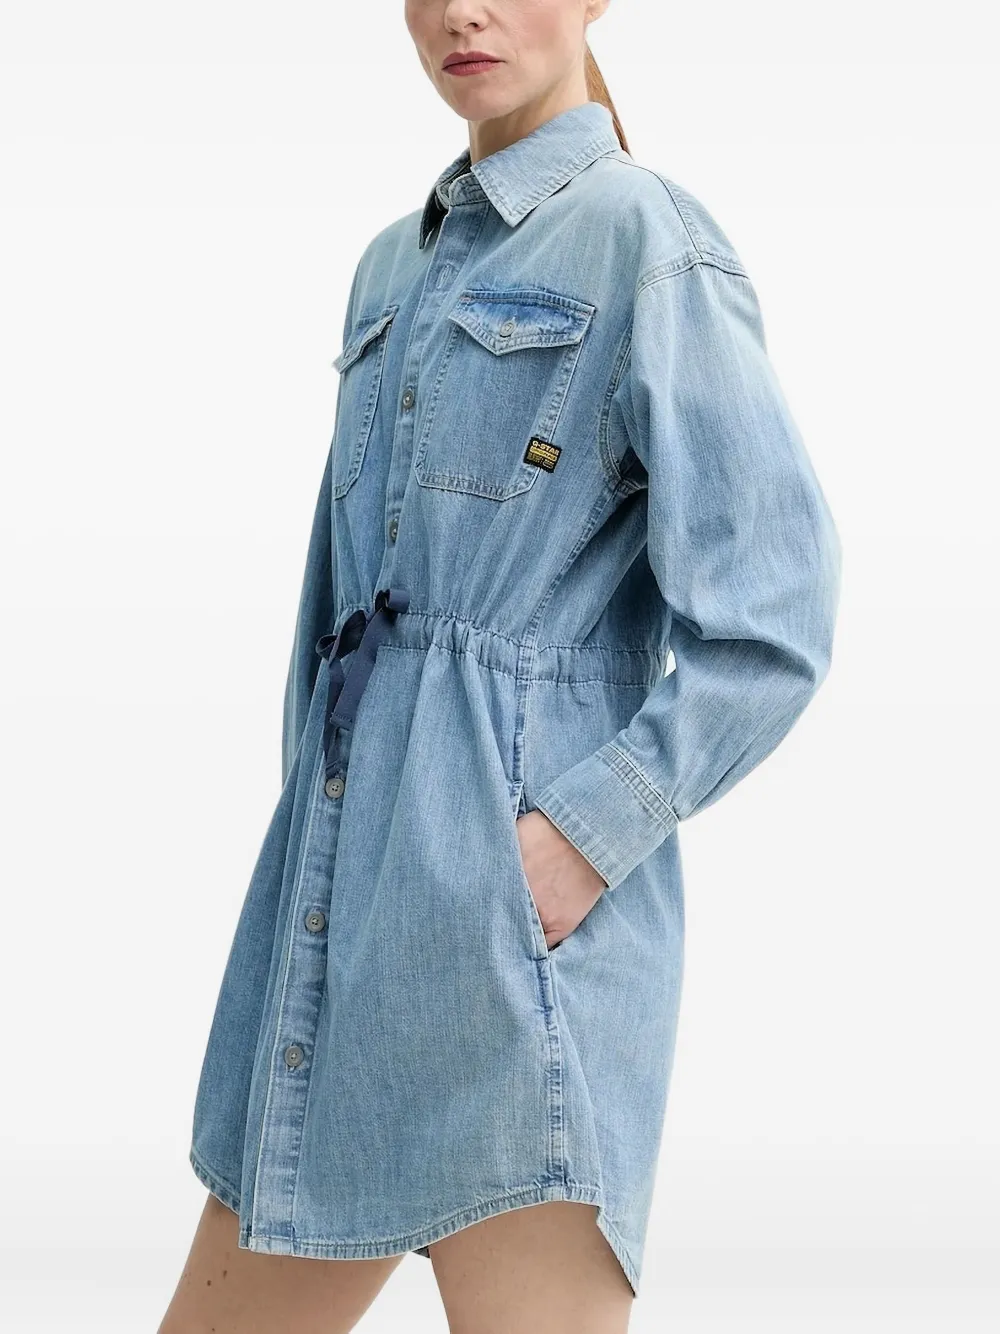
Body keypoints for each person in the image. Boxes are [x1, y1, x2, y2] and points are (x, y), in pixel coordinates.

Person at [158, 3, 841, 1331]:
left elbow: (775, 613)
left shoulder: (646, 241)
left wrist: (577, 842)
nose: (461, 10)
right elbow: (333, 616)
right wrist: (313, 846)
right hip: (333, 922)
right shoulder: (389, 267)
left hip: (525, 950)